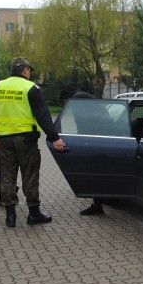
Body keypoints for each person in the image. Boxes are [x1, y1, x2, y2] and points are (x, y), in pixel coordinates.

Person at [0, 56, 66, 227]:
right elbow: (43, 115)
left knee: (7, 175)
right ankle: (33, 213)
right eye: (29, 70)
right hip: (25, 139)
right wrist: (55, 138)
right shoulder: (31, 87)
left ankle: (10, 216)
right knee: (29, 175)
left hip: (3, 139)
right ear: (25, 70)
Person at [59, 83, 105, 216]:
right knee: (96, 172)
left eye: (64, 101)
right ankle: (98, 203)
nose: (65, 104)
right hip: (99, 137)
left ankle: (98, 205)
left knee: (93, 172)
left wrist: (81, 141)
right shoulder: (82, 97)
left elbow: (82, 122)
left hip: (95, 139)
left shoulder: (78, 99)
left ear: (68, 97)